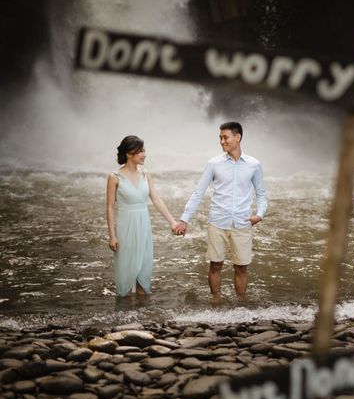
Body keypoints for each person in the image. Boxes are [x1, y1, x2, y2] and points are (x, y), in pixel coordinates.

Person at [174, 122, 267, 296]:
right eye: (220, 138)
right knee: (215, 265)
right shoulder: (214, 164)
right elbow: (198, 193)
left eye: (225, 137)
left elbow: (261, 195)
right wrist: (183, 220)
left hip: (243, 222)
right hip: (217, 222)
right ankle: (215, 301)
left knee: (241, 267)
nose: (222, 141)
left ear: (237, 138)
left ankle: (240, 304)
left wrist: (259, 215)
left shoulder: (254, 164)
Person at [106, 135, 179, 298]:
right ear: (129, 153)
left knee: (143, 275)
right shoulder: (114, 177)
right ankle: (123, 317)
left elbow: (156, 199)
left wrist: (173, 222)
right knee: (125, 276)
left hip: (144, 228)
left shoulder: (146, 174)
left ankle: (142, 317)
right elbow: (110, 207)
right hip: (125, 229)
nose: (145, 154)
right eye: (141, 151)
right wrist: (112, 236)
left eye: (144, 150)